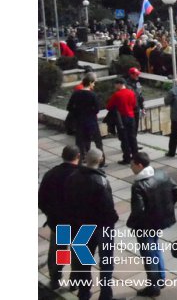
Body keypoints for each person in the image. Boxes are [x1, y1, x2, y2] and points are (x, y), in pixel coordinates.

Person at [64, 148, 119, 300]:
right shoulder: (101, 181)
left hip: (81, 227)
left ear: (85, 159)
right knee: (106, 262)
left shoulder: (73, 177)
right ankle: (105, 294)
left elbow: (68, 201)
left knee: (84, 263)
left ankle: (84, 293)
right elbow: (108, 208)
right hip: (101, 228)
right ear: (101, 160)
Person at [126, 151, 177, 297]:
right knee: (155, 247)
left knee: (148, 254)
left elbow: (138, 211)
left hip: (145, 225)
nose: (130, 167)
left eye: (132, 165)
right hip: (159, 221)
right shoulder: (162, 174)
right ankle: (161, 278)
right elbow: (176, 190)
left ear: (139, 165)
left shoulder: (138, 185)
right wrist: (166, 208)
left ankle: (154, 285)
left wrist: (132, 224)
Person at [38, 145, 81, 290]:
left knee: (60, 251)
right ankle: (75, 281)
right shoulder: (82, 175)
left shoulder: (51, 174)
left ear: (62, 156)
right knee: (78, 253)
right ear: (78, 156)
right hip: (79, 224)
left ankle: (56, 278)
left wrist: (51, 215)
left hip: (59, 222)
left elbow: (41, 200)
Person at [66, 73, 105, 166]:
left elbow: (69, 107)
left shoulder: (76, 94)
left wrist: (77, 113)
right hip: (91, 122)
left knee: (80, 143)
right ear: (90, 82)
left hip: (79, 122)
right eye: (94, 83)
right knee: (98, 142)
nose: (94, 85)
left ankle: (79, 161)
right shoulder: (93, 95)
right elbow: (97, 109)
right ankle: (101, 162)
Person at [106, 77, 138, 165]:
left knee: (124, 139)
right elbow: (134, 104)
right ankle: (136, 156)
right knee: (132, 137)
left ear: (119, 84)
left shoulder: (117, 95)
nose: (115, 86)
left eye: (116, 84)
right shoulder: (131, 93)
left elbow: (108, 107)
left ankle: (127, 158)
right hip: (131, 117)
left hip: (121, 118)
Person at [125, 67, 145, 133]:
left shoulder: (137, 83)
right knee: (131, 128)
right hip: (131, 109)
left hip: (137, 108)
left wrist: (142, 107)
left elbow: (140, 96)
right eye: (136, 75)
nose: (137, 76)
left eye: (138, 74)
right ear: (131, 75)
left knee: (135, 127)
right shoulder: (127, 84)